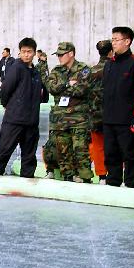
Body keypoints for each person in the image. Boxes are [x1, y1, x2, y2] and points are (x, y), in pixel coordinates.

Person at [0, 37, 46, 177]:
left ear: (34, 53)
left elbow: (43, 95)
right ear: (20, 52)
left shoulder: (36, 72)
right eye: (23, 51)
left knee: (29, 155)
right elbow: (5, 91)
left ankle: (27, 179)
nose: (26, 54)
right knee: (4, 150)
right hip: (14, 120)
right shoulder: (16, 68)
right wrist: (12, 107)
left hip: (31, 121)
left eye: (29, 52)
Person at [101, 26, 134, 188]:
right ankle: (113, 183)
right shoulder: (109, 65)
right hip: (109, 119)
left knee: (130, 155)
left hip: (128, 120)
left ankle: (131, 185)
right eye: (112, 39)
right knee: (110, 154)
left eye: (116, 40)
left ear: (127, 41)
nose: (113, 43)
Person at [45, 41, 94, 182]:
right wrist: (67, 84)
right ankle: (68, 176)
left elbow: (81, 90)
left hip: (78, 117)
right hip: (60, 118)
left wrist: (62, 89)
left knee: (80, 149)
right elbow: (51, 89)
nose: (59, 57)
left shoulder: (83, 69)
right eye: (58, 55)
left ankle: (85, 177)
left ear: (71, 53)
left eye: (62, 54)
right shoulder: (56, 71)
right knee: (63, 149)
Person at [88, 39, 114, 183]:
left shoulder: (91, 71)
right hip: (112, 115)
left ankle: (102, 175)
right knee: (114, 145)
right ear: (111, 51)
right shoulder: (114, 68)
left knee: (97, 147)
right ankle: (115, 174)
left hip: (94, 114)